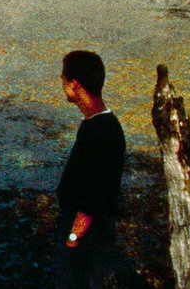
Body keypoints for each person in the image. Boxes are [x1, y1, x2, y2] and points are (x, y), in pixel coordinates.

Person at [55, 50, 126, 289]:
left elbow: (92, 198)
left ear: (74, 84)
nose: (62, 84)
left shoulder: (96, 132)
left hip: (86, 234)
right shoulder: (104, 124)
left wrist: (72, 239)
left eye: (63, 80)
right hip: (92, 230)